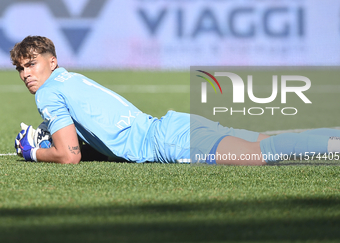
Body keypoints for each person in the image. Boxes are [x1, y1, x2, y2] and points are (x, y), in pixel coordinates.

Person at [11, 36, 340, 165]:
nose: (26, 73)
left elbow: (69, 156)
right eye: (21, 68)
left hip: (169, 140)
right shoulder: (69, 78)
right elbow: (93, 138)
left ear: (51, 61)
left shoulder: (48, 92)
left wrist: (34, 151)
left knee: (261, 154)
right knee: (271, 141)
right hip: (174, 125)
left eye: (32, 64)